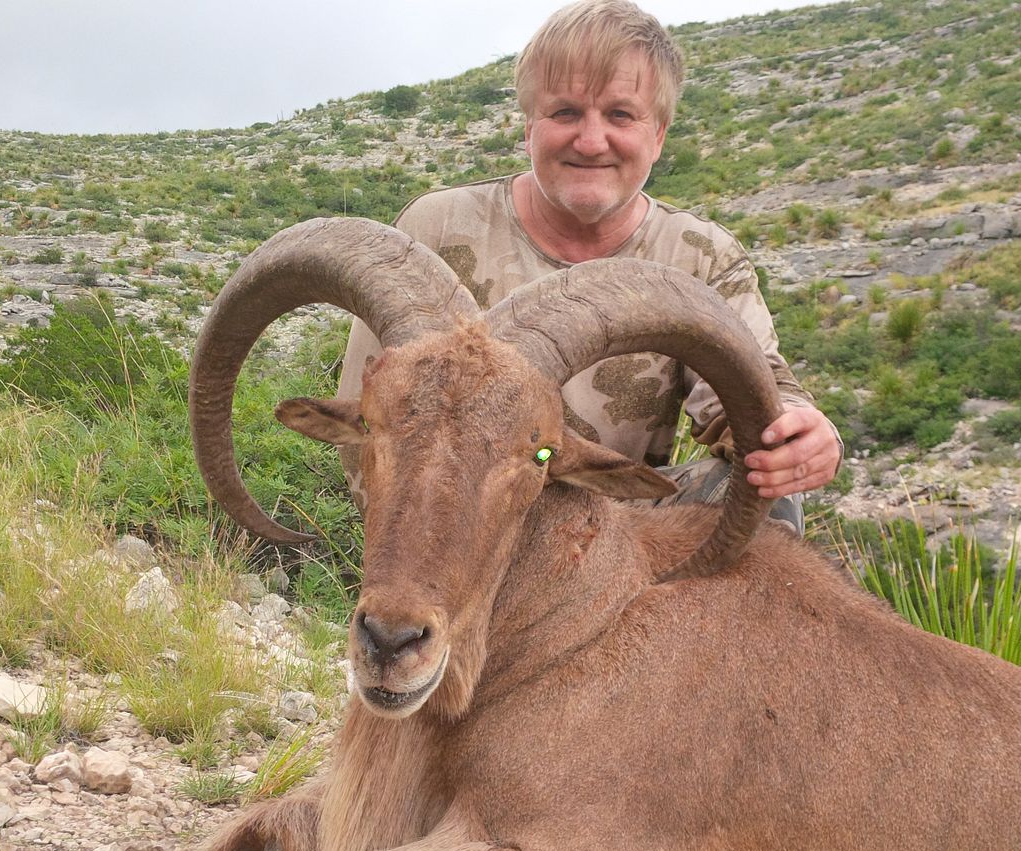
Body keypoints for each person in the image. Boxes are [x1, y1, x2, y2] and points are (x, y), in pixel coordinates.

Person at [337, 0, 842, 533]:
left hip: (612, 533)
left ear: (658, 134)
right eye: (565, 113)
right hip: (454, 522)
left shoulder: (701, 256)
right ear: (529, 127)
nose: (591, 140)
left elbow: (753, 394)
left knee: (767, 491)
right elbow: (370, 417)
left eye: (621, 114)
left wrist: (796, 432)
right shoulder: (438, 229)